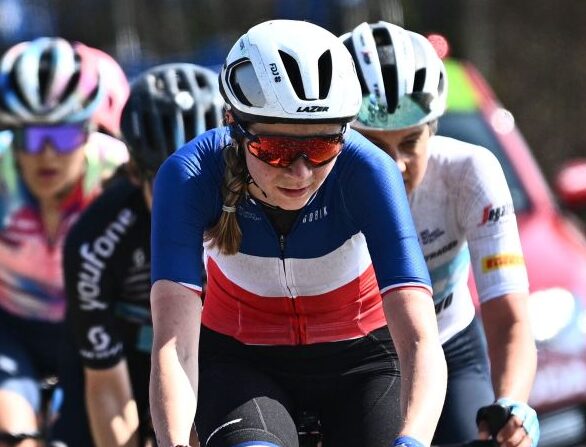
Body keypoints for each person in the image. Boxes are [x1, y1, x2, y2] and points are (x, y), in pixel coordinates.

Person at [149, 19, 447, 447]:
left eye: (323, 147)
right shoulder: (189, 176)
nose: (301, 171)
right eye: (276, 150)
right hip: (243, 363)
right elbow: (174, 345)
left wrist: (413, 441)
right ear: (234, 126)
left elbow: (420, 339)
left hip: (363, 360)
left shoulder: (369, 171)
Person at [342, 21, 539, 447]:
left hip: (449, 342)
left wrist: (512, 406)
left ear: (432, 129)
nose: (394, 166)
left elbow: (508, 316)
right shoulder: (313, 190)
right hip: (355, 361)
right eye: (374, 146)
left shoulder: (469, 174)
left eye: (410, 142)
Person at [63, 62, 225, 447]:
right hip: (125, 364)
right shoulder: (95, 238)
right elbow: (106, 386)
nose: (186, 201)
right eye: (167, 182)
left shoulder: (257, 214)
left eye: (203, 181)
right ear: (135, 173)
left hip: (218, 356)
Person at [0, 37, 128, 446]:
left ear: (90, 131)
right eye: (32, 139)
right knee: (17, 436)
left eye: (65, 137)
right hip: (11, 328)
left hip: (91, 327)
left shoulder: (121, 173)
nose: (48, 156)